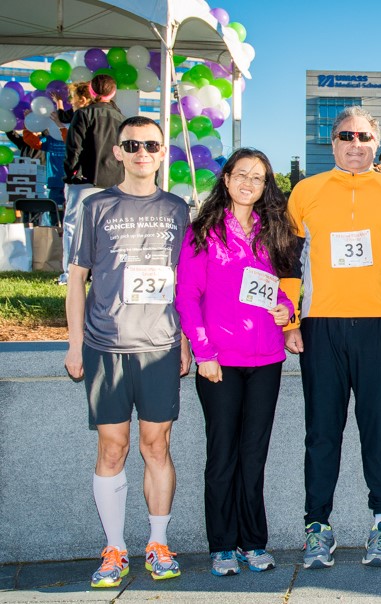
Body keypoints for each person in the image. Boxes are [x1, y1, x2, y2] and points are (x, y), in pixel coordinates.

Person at [281, 105, 381, 569]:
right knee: (322, 432)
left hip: (380, 328)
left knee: (377, 431)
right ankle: (317, 528)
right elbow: (288, 262)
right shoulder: (305, 192)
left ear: (375, 143)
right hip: (321, 328)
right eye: (345, 136)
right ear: (332, 142)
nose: (354, 144)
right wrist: (290, 321)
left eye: (363, 136)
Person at [63, 116, 190, 588]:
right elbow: (77, 280)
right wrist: (75, 343)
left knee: (156, 446)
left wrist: (185, 341)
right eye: (132, 145)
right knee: (112, 448)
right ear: (118, 152)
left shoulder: (179, 209)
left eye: (151, 145)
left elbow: (188, 285)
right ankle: (114, 549)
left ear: (162, 153)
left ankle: (157, 544)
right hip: (104, 347)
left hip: (159, 347)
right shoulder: (95, 207)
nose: (142, 152)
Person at [174, 148, 298, 577]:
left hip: (266, 357)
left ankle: (253, 542)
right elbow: (187, 297)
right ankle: (222, 545)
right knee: (222, 454)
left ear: (266, 187)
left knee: (254, 454)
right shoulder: (202, 231)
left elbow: (273, 288)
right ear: (225, 179)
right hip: (219, 362)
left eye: (258, 177)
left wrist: (286, 310)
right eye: (241, 174)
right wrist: (203, 352)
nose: (249, 182)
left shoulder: (271, 230)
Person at [60, 74, 125, 285]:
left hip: (84, 180)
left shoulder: (83, 114)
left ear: (92, 91)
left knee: (73, 227)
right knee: (106, 230)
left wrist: (71, 173)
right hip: (114, 180)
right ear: (113, 92)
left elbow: (74, 148)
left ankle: (70, 275)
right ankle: (102, 273)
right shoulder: (122, 119)